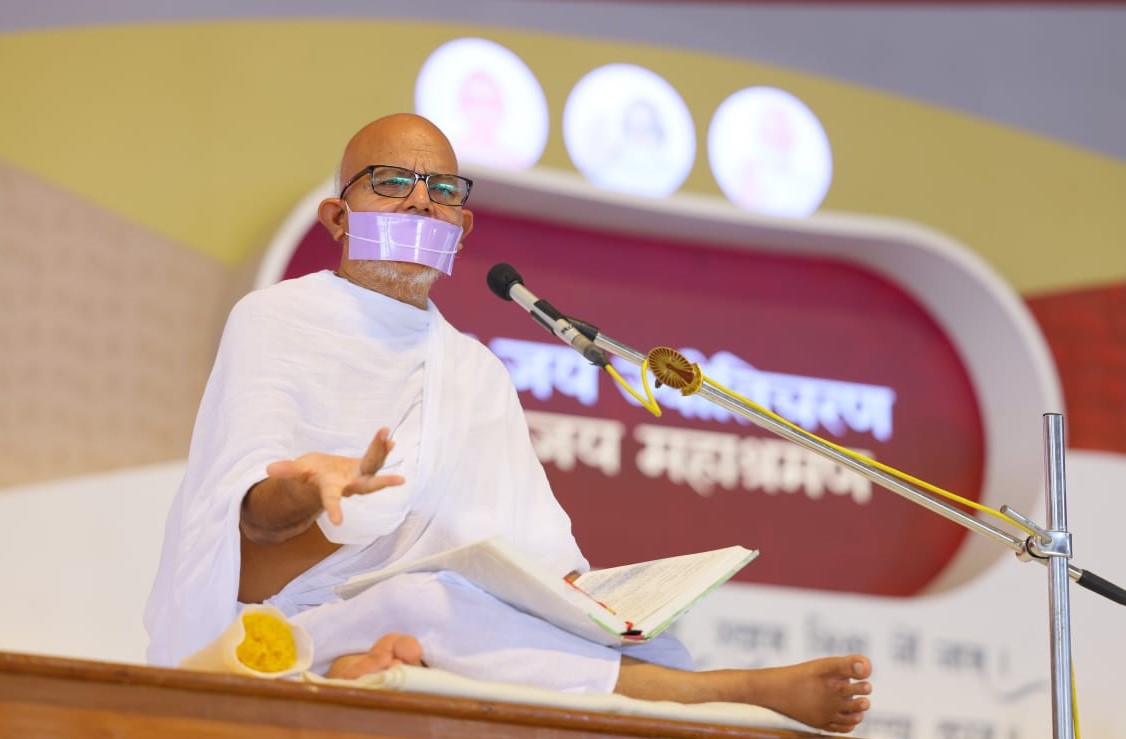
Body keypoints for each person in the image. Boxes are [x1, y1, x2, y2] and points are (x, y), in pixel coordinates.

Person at [144, 112, 872, 734]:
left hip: (450, 628)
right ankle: (724, 692)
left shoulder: (474, 369)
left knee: (639, 640)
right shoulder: (278, 319)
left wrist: (610, 600)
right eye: (391, 182)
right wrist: (308, 489)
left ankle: (665, 681)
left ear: (460, 227)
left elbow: (539, 557)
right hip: (293, 622)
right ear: (338, 217)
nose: (420, 202)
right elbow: (248, 521)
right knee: (421, 602)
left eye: (442, 190)